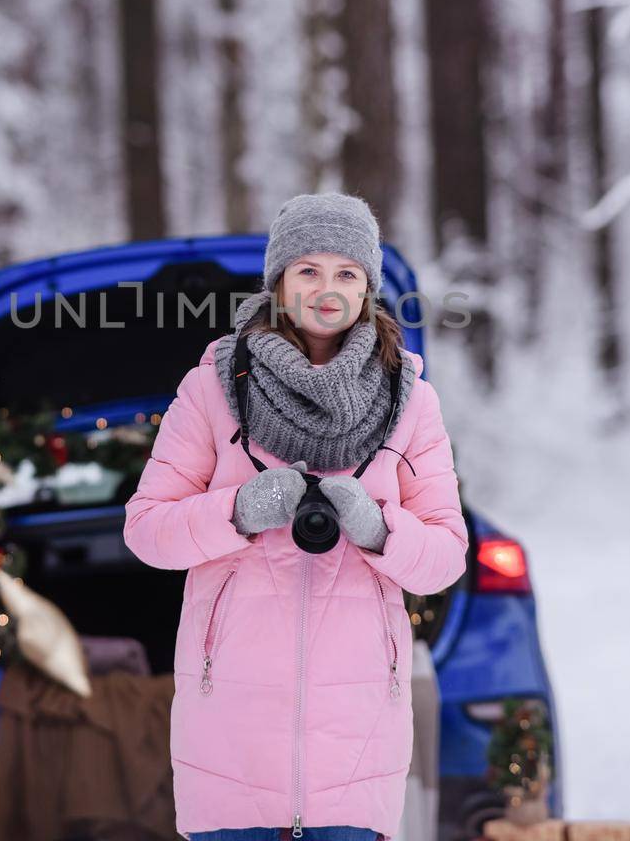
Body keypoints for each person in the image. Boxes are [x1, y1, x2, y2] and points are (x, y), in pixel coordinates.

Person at [122, 192, 469, 841]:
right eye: (308, 270)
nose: (327, 289)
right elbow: (146, 531)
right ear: (279, 281)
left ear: (367, 285)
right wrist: (237, 511)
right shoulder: (213, 389)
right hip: (229, 728)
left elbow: (446, 557)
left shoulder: (411, 401)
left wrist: (380, 528)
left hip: (359, 728)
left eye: (347, 272)